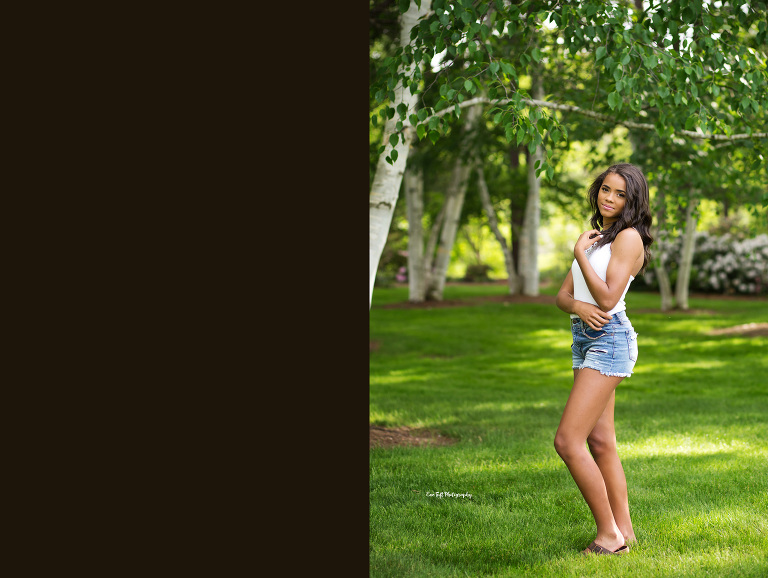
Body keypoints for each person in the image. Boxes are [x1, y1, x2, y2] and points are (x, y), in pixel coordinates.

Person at [554, 163, 653, 556]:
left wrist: (579, 251)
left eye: (620, 194)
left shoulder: (627, 239)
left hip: (609, 340)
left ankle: (608, 537)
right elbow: (563, 298)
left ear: (633, 201)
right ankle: (624, 530)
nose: (609, 198)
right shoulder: (598, 238)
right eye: (605, 190)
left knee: (567, 441)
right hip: (584, 339)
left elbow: (609, 299)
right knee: (600, 441)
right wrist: (578, 303)